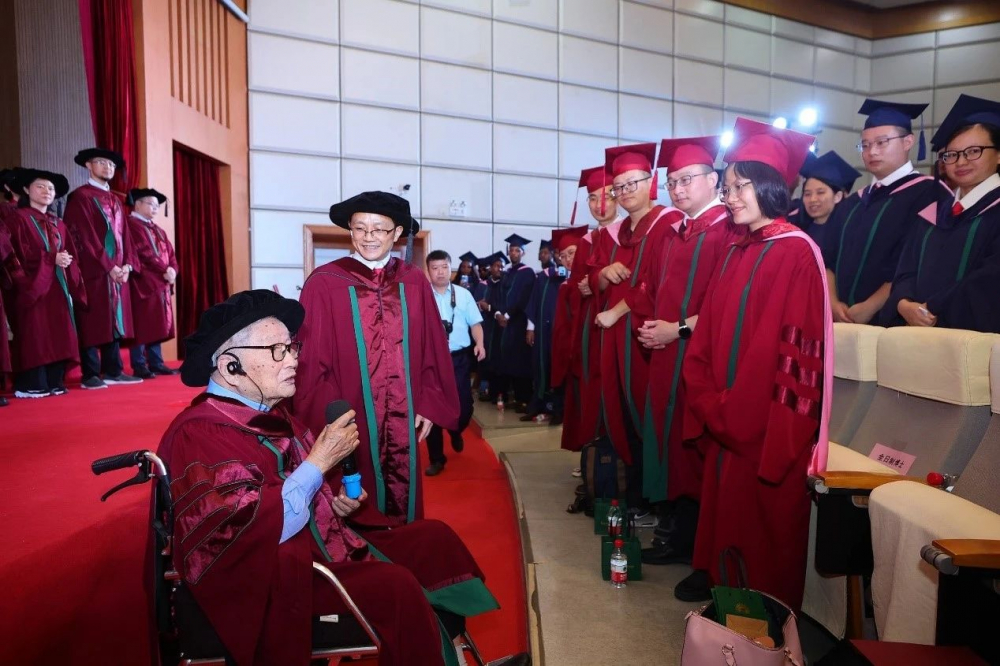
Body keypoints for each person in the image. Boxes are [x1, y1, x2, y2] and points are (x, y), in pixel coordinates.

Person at [161, 289, 526, 666]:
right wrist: (318, 462)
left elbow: (301, 489)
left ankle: (450, 652)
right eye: (277, 350)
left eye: (292, 347)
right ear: (230, 367)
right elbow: (243, 532)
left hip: (318, 543)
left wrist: (333, 502)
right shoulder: (200, 434)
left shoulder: (269, 414)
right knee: (396, 586)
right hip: (271, 580)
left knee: (433, 540)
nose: (293, 360)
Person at [678, 118, 832, 609]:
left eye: (739, 186)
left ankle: (760, 623)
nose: (730, 197)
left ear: (770, 186)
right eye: (727, 188)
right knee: (726, 515)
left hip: (764, 426)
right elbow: (706, 335)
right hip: (725, 416)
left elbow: (787, 354)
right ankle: (729, 607)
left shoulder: (797, 253)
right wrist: (707, 396)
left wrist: (730, 409)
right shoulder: (736, 250)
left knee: (761, 531)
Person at [292, 191, 459, 524]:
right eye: (360, 228)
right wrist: (331, 416)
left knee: (404, 499)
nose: (368, 237)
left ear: (396, 233)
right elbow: (310, 362)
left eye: (379, 229)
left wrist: (429, 400)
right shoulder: (325, 283)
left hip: (404, 413)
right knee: (355, 496)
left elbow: (432, 345)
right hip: (352, 415)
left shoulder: (413, 280)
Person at [623, 136, 743, 566]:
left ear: (713, 180)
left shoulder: (729, 232)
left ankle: (695, 545)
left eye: (687, 179)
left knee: (694, 449)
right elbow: (648, 289)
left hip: (700, 357)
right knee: (668, 442)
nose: (677, 188)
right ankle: (675, 534)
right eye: (672, 181)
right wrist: (652, 327)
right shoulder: (672, 234)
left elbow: (726, 304)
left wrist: (677, 330)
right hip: (666, 356)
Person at [591, 143, 681, 519]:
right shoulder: (618, 232)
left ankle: (656, 500)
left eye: (633, 183)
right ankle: (637, 496)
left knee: (650, 416)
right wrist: (603, 273)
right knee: (625, 414)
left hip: (648, 339)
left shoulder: (668, 224)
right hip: (618, 341)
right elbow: (592, 281)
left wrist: (616, 311)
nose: (625, 191)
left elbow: (657, 282)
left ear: (651, 182)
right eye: (619, 187)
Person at [885, 94, 1000, 333]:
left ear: (998, 154)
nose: (961, 162)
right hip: (918, 336)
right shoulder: (933, 214)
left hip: (977, 342)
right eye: (952, 154)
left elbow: (990, 279)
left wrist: (933, 307)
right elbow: (905, 271)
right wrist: (904, 304)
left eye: (973, 151)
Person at [822, 99, 939, 325]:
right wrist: (833, 303)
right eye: (865, 145)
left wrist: (871, 306)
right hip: (841, 321)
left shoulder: (929, 193)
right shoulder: (853, 202)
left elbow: (914, 261)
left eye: (881, 142)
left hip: (892, 325)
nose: (872, 152)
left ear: (908, 141)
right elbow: (829, 259)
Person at [63, 147, 142, 388]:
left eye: (111, 164)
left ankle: (113, 370)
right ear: (88, 165)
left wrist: (128, 265)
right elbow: (83, 236)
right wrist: (108, 266)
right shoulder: (81, 197)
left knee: (114, 320)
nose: (107, 167)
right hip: (94, 271)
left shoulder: (116, 199)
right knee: (92, 320)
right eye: (101, 162)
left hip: (117, 272)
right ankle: (90, 374)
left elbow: (125, 236)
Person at [3, 169, 85, 398]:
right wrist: (51, 259)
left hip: (58, 285)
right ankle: (31, 383)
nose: (47, 191)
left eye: (50, 188)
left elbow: (69, 252)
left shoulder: (58, 223)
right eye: (40, 186)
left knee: (59, 330)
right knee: (36, 332)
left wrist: (66, 261)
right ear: (26, 190)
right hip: (32, 286)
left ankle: (53, 380)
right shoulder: (17, 219)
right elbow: (15, 253)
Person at [562, 166, 621, 456]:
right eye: (593, 198)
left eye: (608, 196)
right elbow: (575, 289)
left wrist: (597, 283)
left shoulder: (628, 234)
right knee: (589, 390)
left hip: (618, 326)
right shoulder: (586, 241)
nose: (600, 204)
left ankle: (615, 461)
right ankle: (594, 459)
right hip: (589, 329)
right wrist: (583, 288)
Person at [424, 249, 486, 476]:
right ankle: (437, 459)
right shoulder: (422, 296)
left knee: (464, 406)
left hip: (459, 358)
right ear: (428, 271)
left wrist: (480, 343)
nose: (440, 272)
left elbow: (475, 324)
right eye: (435, 268)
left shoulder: (463, 294)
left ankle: (455, 430)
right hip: (430, 360)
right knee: (431, 407)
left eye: (444, 267)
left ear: (450, 269)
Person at [126, 188, 179, 378]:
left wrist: (173, 270)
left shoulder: (157, 229)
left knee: (157, 323)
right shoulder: (131, 225)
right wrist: (165, 269)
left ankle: (156, 362)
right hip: (143, 282)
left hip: (161, 282)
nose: (155, 208)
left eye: (157, 206)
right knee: (142, 323)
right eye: (151, 204)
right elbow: (143, 252)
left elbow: (170, 254)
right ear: (138, 204)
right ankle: (139, 364)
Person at [547, 225, 588, 431]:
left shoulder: (592, 281)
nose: (567, 259)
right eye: (562, 256)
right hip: (571, 353)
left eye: (572, 252)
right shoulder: (566, 286)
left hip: (588, 350)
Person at [523, 238, 568, 422]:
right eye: (558, 253)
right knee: (540, 366)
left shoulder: (575, 277)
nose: (560, 257)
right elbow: (533, 302)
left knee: (560, 368)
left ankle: (559, 410)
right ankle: (538, 405)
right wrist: (530, 328)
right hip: (542, 331)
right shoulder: (544, 276)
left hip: (564, 332)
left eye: (564, 254)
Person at [493, 234, 535, 412]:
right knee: (505, 360)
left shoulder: (528, 273)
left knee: (519, 361)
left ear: (523, 253)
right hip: (503, 324)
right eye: (511, 250)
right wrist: (498, 313)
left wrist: (508, 315)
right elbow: (498, 296)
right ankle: (509, 396)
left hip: (518, 323)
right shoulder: (506, 273)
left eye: (517, 250)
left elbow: (524, 298)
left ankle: (523, 399)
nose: (514, 253)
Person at [798, 151, 862, 248]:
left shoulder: (847, 232)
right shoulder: (798, 229)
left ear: (837, 197)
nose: (812, 199)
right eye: (807, 194)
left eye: (820, 192)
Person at [476, 251, 508, 403]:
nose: (499, 269)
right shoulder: (484, 285)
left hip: (501, 328)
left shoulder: (506, 285)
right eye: (496, 266)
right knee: (486, 358)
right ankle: (486, 390)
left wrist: (489, 307)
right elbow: (477, 304)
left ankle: (500, 393)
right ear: (491, 268)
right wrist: (482, 306)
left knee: (500, 359)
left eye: (502, 266)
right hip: (486, 326)